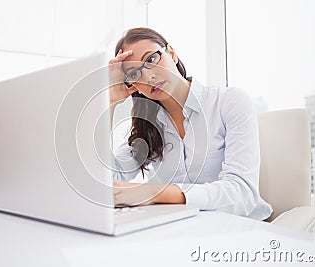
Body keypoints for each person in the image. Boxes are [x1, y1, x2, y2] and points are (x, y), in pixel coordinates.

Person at [109, 27, 272, 220]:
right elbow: (109, 179)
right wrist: (109, 101)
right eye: (135, 74)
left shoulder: (230, 101)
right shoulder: (149, 127)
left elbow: (242, 194)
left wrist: (153, 193)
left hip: (241, 228)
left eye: (151, 59)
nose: (149, 77)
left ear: (172, 54)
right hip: (185, 227)